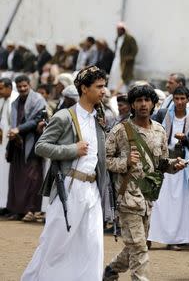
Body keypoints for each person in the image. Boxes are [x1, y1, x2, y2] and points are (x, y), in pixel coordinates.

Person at [21, 66, 108, 281]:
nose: (103, 91)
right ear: (84, 88)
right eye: (99, 87)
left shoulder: (99, 118)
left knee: (92, 243)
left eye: (104, 86)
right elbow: (41, 147)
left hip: (93, 190)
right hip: (69, 187)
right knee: (56, 242)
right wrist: (71, 149)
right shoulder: (64, 117)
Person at [103, 85, 186, 281]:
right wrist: (125, 163)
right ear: (132, 104)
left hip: (148, 196)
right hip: (128, 197)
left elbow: (161, 163)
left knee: (135, 244)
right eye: (138, 101)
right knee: (140, 246)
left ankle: (112, 269)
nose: (143, 104)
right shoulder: (120, 130)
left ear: (153, 104)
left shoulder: (159, 131)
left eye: (147, 100)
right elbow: (103, 160)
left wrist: (175, 164)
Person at [150, 86, 189, 250]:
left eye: (182, 99)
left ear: (188, 99)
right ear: (173, 98)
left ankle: (174, 239)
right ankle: (150, 236)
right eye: (176, 98)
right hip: (163, 160)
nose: (179, 102)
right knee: (158, 200)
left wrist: (186, 139)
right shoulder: (162, 114)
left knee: (178, 202)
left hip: (182, 164)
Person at [6, 75, 46, 221]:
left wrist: (19, 129)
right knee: (16, 178)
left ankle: (31, 210)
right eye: (20, 87)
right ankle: (17, 210)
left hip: (33, 143)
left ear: (29, 85)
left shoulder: (38, 100)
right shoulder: (15, 102)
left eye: (25, 86)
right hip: (17, 143)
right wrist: (13, 135)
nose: (22, 89)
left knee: (32, 178)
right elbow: (12, 123)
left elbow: (37, 120)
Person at [0, 78, 18, 215]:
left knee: (7, 175)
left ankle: (7, 205)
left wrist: (8, 148)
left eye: (1, 88)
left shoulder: (14, 100)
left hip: (10, 143)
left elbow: (14, 125)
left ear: (9, 87)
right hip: (2, 142)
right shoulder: (3, 99)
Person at [109, 22, 138, 94]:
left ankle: (122, 93)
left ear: (123, 30)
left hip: (125, 62)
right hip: (116, 60)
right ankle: (114, 91)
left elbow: (134, 50)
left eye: (120, 29)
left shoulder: (130, 38)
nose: (118, 31)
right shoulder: (117, 39)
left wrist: (128, 58)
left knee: (123, 77)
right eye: (117, 29)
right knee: (114, 77)